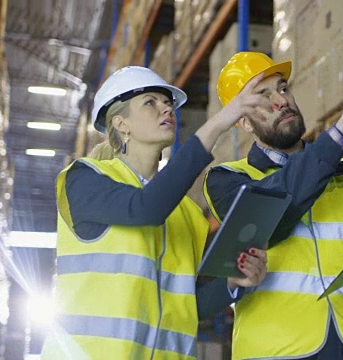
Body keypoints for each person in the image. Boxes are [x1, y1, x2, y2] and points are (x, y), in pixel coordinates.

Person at [42, 66, 268, 360]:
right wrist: (218, 123)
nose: (166, 108)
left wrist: (231, 285)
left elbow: (186, 304)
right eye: (150, 102)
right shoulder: (85, 179)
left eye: (167, 103)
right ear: (121, 123)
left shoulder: (186, 213)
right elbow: (146, 207)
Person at [203, 52, 343, 359]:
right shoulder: (228, 179)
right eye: (263, 96)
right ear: (243, 122)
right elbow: (275, 217)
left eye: (283, 88)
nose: (281, 101)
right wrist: (340, 133)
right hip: (278, 350)